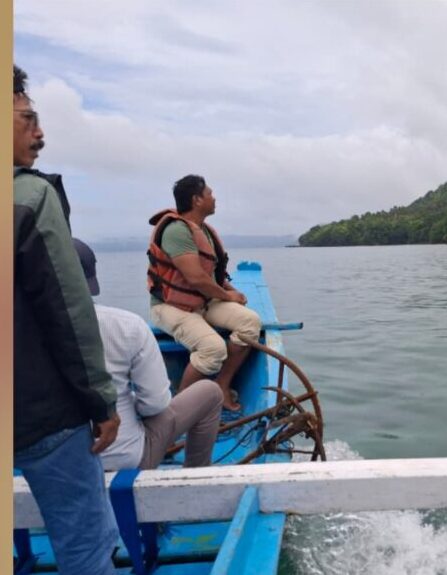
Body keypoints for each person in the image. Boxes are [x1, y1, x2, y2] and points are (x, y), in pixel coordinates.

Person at [13, 64, 120, 575]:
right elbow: (70, 314)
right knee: (86, 544)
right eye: (27, 118)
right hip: (42, 415)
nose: (40, 133)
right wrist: (100, 401)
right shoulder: (30, 197)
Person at [73, 238, 224, 470]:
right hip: (126, 459)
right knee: (210, 392)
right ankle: (196, 474)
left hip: (49, 468)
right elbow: (154, 404)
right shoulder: (126, 326)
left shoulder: (16, 332)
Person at [147, 174, 262, 411]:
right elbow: (195, 278)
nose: (214, 197)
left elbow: (210, 275)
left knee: (250, 322)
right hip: (170, 306)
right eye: (209, 193)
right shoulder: (176, 231)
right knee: (213, 349)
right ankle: (178, 411)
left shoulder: (202, 229)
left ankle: (222, 384)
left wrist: (231, 290)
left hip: (202, 301)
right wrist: (227, 296)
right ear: (197, 200)